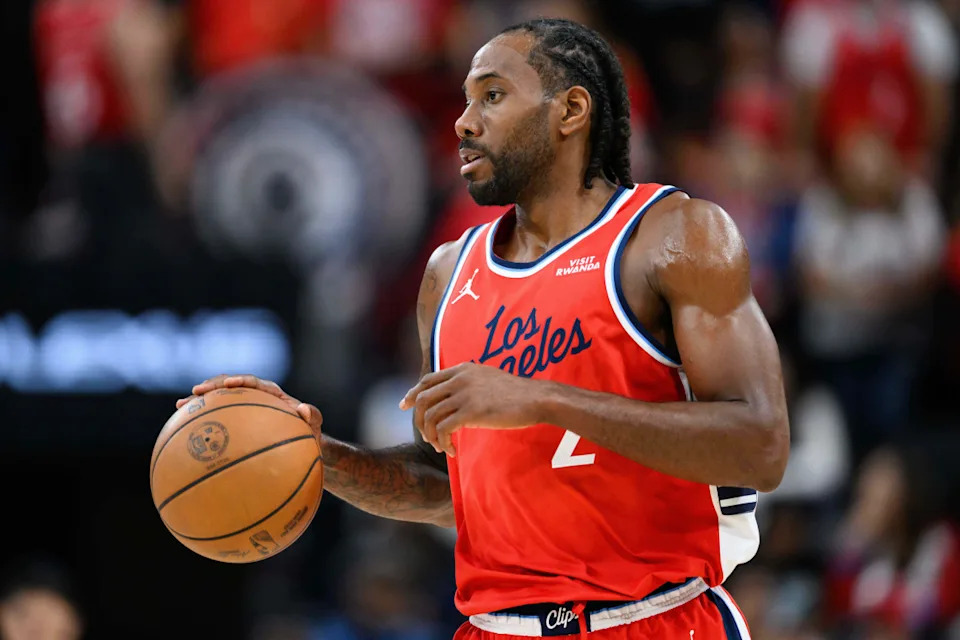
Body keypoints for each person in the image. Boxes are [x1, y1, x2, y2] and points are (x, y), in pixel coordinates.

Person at [179, 18, 789, 640]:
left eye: (492, 96)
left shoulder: (674, 237)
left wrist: (541, 398)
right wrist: (313, 455)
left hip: (652, 618)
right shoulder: (449, 273)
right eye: (466, 99)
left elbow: (760, 445)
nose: (463, 122)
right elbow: (450, 486)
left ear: (570, 110)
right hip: (493, 627)